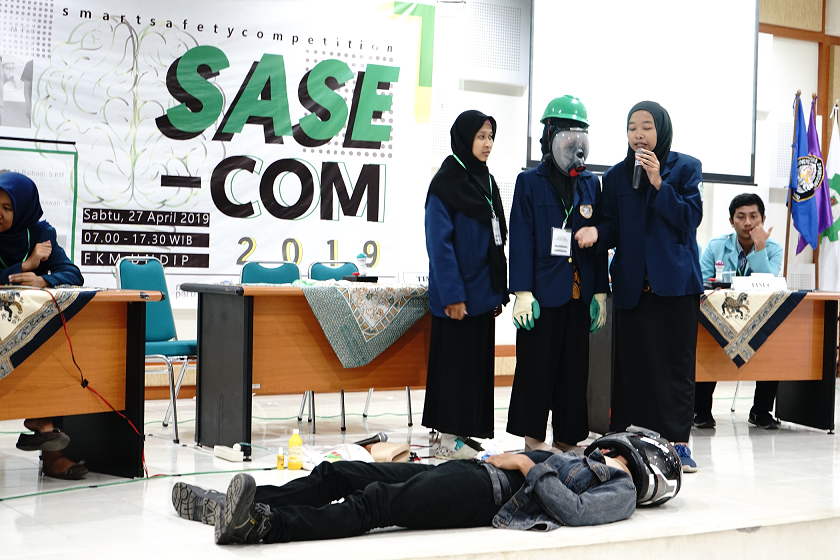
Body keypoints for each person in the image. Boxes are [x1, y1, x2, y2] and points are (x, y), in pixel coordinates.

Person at [170, 428, 682, 545]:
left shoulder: (620, 490)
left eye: (616, 449)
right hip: (475, 471)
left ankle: (262, 525)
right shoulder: (590, 459)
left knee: (374, 502)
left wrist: (528, 464)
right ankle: (228, 506)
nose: (605, 448)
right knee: (341, 472)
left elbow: (570, 510)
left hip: (485, 494)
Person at [575, 101, 704, 473]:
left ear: (661, 130)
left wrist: (659, 183)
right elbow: (612, 225)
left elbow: (689, 219)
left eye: (646, 127)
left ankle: (678, 444)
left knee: (675, 368)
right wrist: (598, 231)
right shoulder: (616, 177)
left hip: (676, 287)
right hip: (633, 287)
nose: (639, 135)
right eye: (632, 128)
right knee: (633, 368)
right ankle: (630, 440)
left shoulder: (685, 168)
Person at [506, 96, 609, 452]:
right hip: (541, 297)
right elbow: (520, 238)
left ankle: (567, 444)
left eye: (581, 138)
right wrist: (521, 292)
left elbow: (597, 241)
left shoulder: (590, 185)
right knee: (536, 373)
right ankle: (534, 445)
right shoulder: (529, 182)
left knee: (573, 374)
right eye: (568, 137)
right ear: (550, 136)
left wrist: (599, 291)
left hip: (578, 296)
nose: (576, 146)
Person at [422, 110, 508, 458]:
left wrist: (498, 290)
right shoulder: (445, 184)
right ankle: (445, 439)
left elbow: (498, 239)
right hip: (457, 297)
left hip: (483, 294)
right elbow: (439, 245)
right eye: (481, 137)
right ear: (464, 139)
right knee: (454, 368)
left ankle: (466, 432)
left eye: (490, 137)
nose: (487, 144)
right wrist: (453, 295)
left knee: (475, 368)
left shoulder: (485, 181)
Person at [0, 171, 88, 479]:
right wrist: (24, 266)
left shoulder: (39, 232)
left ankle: (50, 447)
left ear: (23, 209)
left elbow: (72, 274)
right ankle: (43, 427)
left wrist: (42, 279)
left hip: (27, 330)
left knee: (57, 353)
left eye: (7, 208)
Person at [694, 193, 783, 430]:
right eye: (741, 217)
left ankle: (760, 411)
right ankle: (701, 411)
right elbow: (701, 283)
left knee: (772, 344)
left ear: (763, 219)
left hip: (759, 317)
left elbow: (770, 284)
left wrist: (760, 247)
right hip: (719, 315)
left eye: (754, 216)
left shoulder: (773, 248)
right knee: (707, 344)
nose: (748, 223)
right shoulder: (715, 245)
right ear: (732, 221)